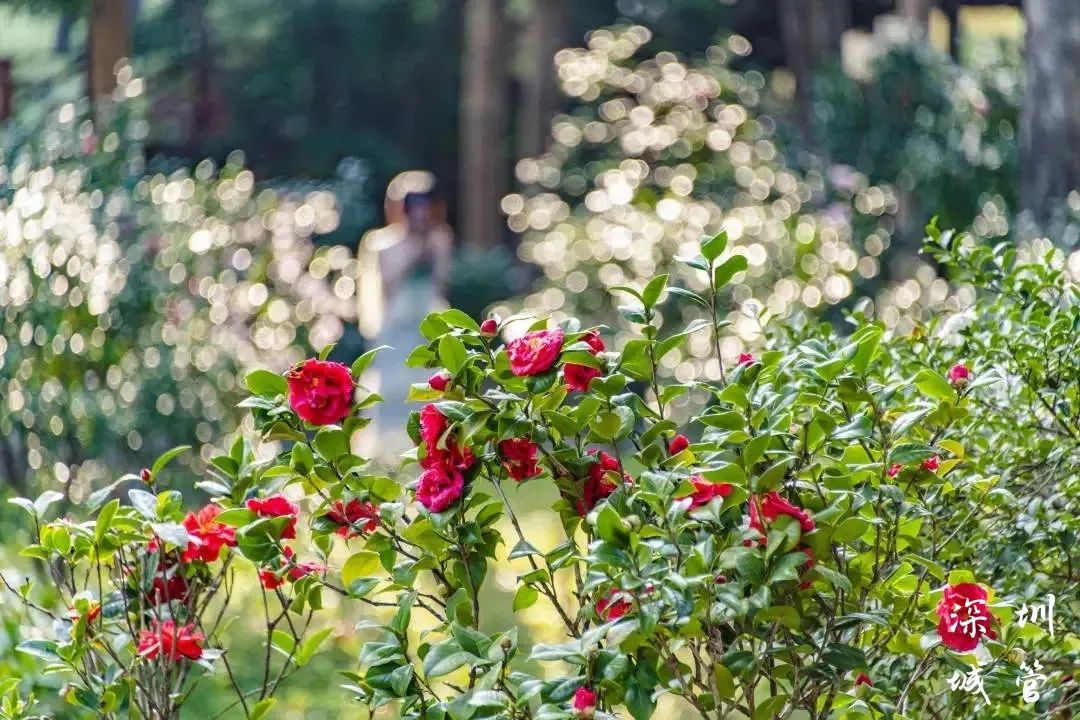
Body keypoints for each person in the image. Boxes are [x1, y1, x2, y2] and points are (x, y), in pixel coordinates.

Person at [357, 172, 454, 454]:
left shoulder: (440, 239)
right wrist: (414, 251)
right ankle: (386, 451)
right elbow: (386, 283)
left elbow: (443, 282)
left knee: (431, 384)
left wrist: (430, 244)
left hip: (427, 319)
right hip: (396, 323)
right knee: (392, 389)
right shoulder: (381, 243)